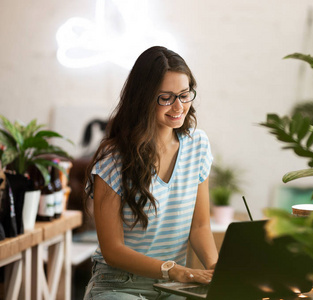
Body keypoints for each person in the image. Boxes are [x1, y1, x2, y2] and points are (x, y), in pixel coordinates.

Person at [83, 46, 218, 300]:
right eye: (166, 98)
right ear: (143, 99)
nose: (179, 106)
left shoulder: (198, 146)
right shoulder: (114, 159)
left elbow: (199, 226)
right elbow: (112, 250)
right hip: (119, 284)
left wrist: (216, 269)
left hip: (173, 288)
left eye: (184, 95)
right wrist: (174, 270)